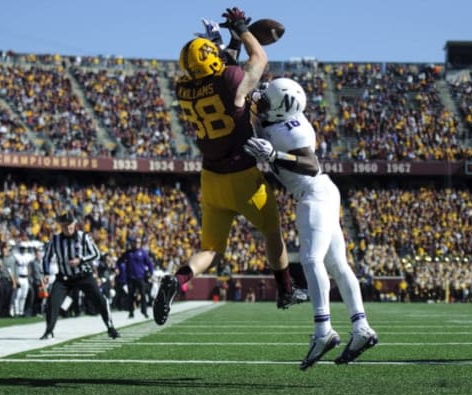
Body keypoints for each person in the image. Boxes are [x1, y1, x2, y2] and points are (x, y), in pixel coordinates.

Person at [154, 6, 304, 326]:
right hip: (243, 176)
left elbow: (223, 68)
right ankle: (286, 290)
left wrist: (226, 46)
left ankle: (177, 280)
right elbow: (259, 60)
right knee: (272, 232)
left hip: (211, 177)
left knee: (209, 249)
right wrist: (242, 30)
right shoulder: (229, 80)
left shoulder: (184, 89)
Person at [243, 77, 378, 370]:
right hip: (322, 192)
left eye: (266, 98)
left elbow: (311, 164)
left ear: (281, 107)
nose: (260, 99)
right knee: (339, 266)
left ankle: (323, 330)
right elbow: (254, 99)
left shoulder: (294, 131)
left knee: (311, 259)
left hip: (313, 193)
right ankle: (361, 327)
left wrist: (273, 155)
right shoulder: (279, 115)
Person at [40, 210, 119, 339]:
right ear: (61, 226)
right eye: (65, 225)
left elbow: (96, 254)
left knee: (100, 299)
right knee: (52, 301)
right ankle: (49, 331)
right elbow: (46, 257)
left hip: (83, 276)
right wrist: (46, 273)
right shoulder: (56, 239)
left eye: (70, 224)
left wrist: (80, 260)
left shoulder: (83, 237)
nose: (68, 227)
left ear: (74, 224)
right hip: (64, 278)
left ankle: (110, 327)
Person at [117, 237, 154, 319]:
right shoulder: (128, 253)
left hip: (140, 277)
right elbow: (120, 261)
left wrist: (151, 272)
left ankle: (144, 311)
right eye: (136, 242)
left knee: (143, 294)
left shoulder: (143, 253)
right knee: (130, 295)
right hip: (130, 277)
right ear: (132, 243)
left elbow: (149, 263)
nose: (137, 244)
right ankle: (131, 312)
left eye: (138, 242)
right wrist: (118, 268)